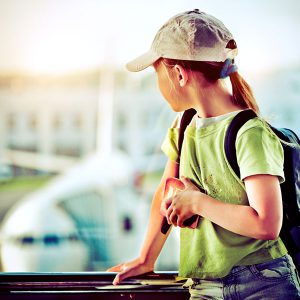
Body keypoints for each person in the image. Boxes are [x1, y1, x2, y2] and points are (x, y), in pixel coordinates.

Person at [108, 9, 300, 299]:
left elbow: (266, 223)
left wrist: (197, 202)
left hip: (263, 283)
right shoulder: (183, 126)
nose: (158, 86)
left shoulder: (250, 133)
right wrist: (147, 259)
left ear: (179, 74)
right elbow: (166, 192)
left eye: (157, 75)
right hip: (203, 284)